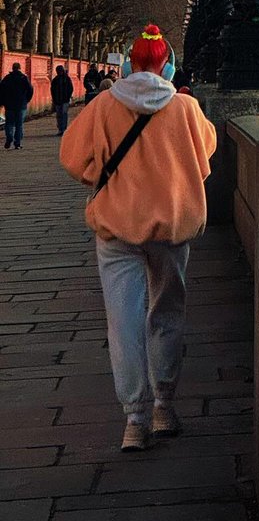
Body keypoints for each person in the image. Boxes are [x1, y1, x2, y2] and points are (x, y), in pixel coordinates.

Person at [60, 24, 217, 452]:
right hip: (169, 227)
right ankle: (165, 405)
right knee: (166, 314)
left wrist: (105, 178)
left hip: (116, 227)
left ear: (130, 62)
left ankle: (134, 420)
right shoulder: (185, 107)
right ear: (166, 63)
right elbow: (205, 157)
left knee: (123, 323)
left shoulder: (104, 105)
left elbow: (73, 158)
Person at [1, 62, 35, 149]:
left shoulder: (7, 78)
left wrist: (2, 102)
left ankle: (9, 138)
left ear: (12, 68)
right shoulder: (23, 78)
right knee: (19, 125)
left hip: (9, 105)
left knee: (9, 123)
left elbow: (1, 91)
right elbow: (30, 90)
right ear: (20, 68)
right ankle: (17, 143)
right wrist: (26, 100)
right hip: (21, 105)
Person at [51, 65, 75, 135]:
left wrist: (67, 96)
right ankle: (61, 129)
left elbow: (70, 88)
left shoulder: (65, 79)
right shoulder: (57, 79)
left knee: (62, 114)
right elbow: (52, 90)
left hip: (63, 100)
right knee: (60, 114)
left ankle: (63, 129)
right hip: (59, 100)